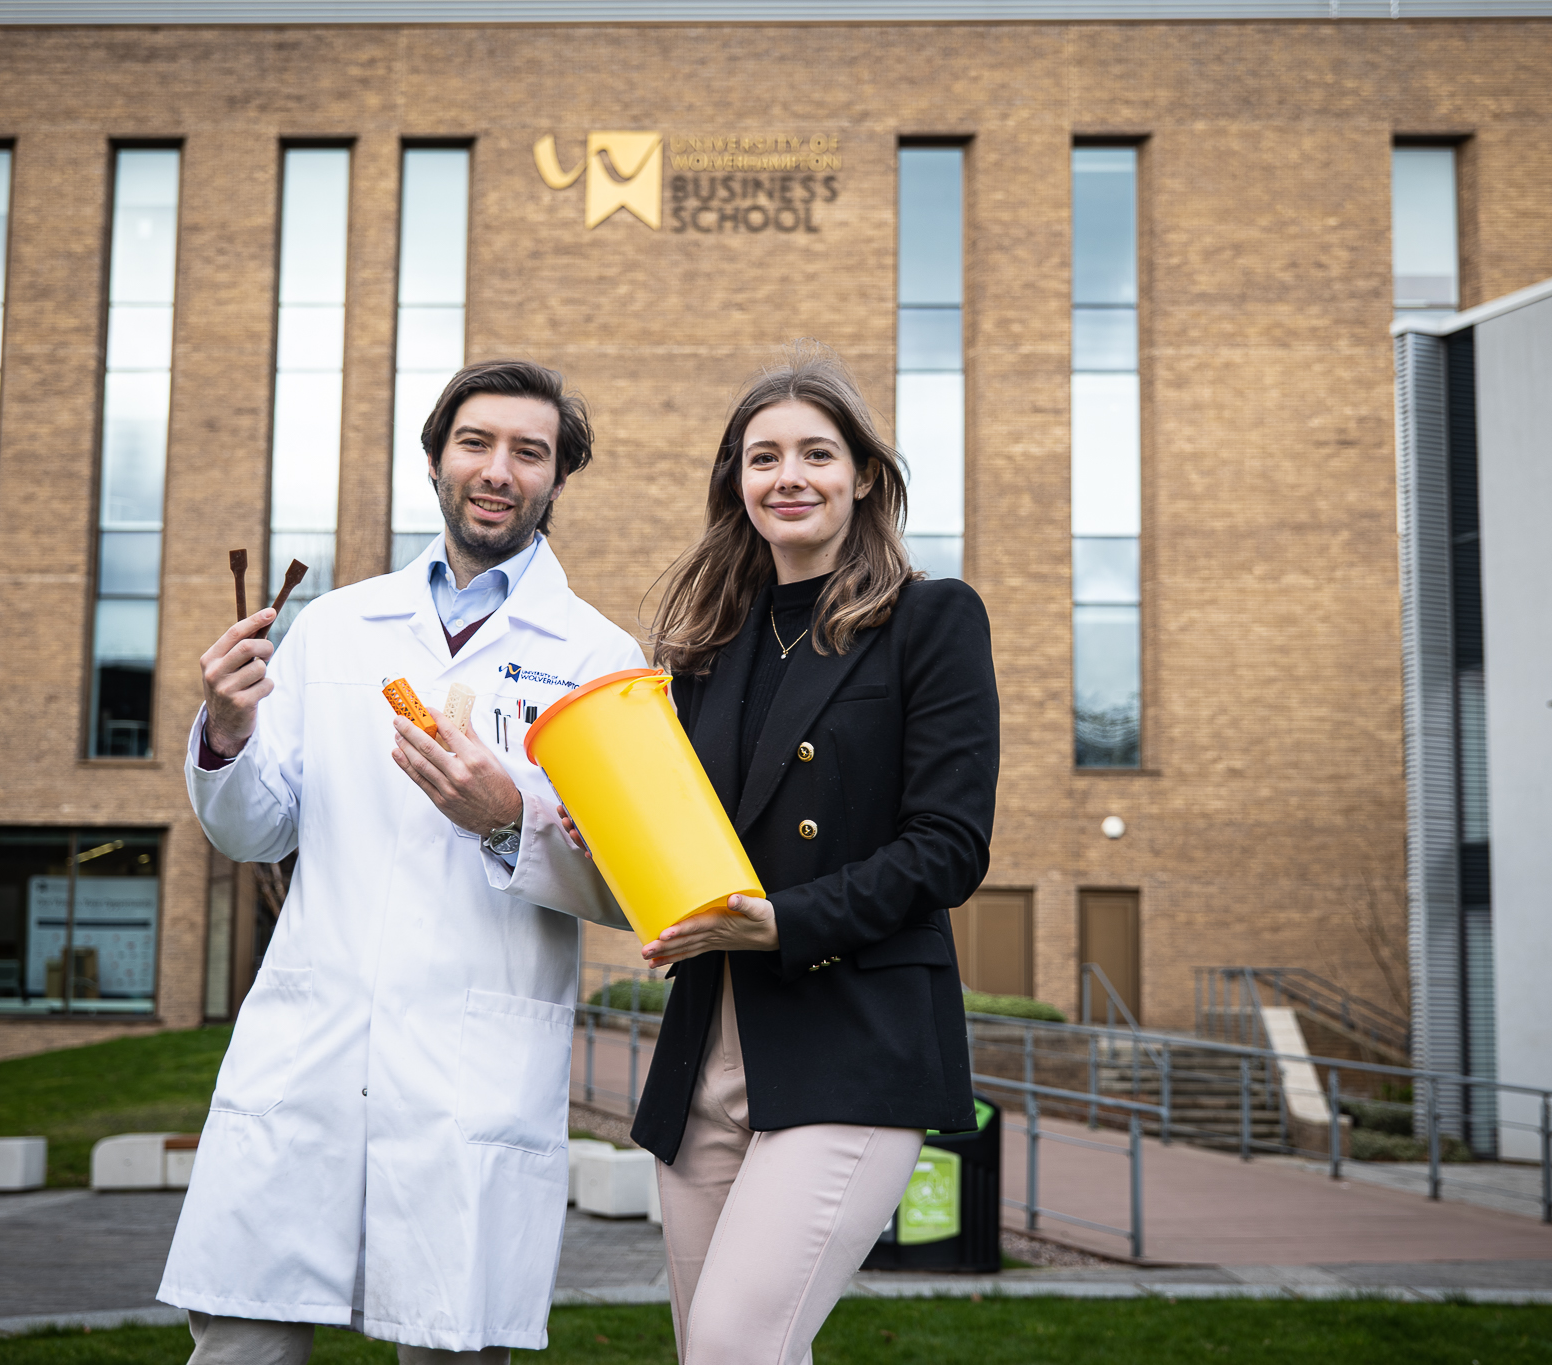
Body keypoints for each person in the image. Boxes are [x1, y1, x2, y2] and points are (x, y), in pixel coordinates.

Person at [159, 359, 645, 1364]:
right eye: (475, 443)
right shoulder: (336, 625)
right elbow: (255, 830)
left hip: (473, 1068)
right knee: (242, 1343)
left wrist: (511, 817)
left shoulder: (599, 658)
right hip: (313, 1050)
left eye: (529, 451)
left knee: (449, 1347)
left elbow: (626, 883)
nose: (498, 470)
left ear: (558, 479)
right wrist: (224, 726)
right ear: (434, 461)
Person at [628, 344, 999, 1364]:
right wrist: (612, 833)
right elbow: (685, 839)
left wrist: (786, 921)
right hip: (706, 1049)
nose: (787, 476)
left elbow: (949, 847)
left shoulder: (930, 620)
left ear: (864, 476)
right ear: (734, 484)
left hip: (854, 1039)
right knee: (715, 1353)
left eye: (815, 453)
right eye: (761, 458)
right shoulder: (703, 649)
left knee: (735, 1350)